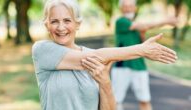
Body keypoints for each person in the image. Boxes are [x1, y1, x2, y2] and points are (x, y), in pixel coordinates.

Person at [31, 0, 177, 110]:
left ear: (78, 24)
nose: (61, 27)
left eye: (67, 20)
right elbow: (97, 55)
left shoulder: (98, 59)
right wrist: (141, 50)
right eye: (54, 21)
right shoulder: (42, 50)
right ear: (47, 25)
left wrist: (105, 83)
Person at [111, 0, 178, 110]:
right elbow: (143, 25)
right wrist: (165, 21)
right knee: (115, 102)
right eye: (125, 6)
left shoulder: (138, 27)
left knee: (145, 100)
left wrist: (142, 34)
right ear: (121, 9)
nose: (128, 9)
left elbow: (142, 44)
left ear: (135, 8)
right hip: (121, 67)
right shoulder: (121, 22)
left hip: (139, 66)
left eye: (130, 6)